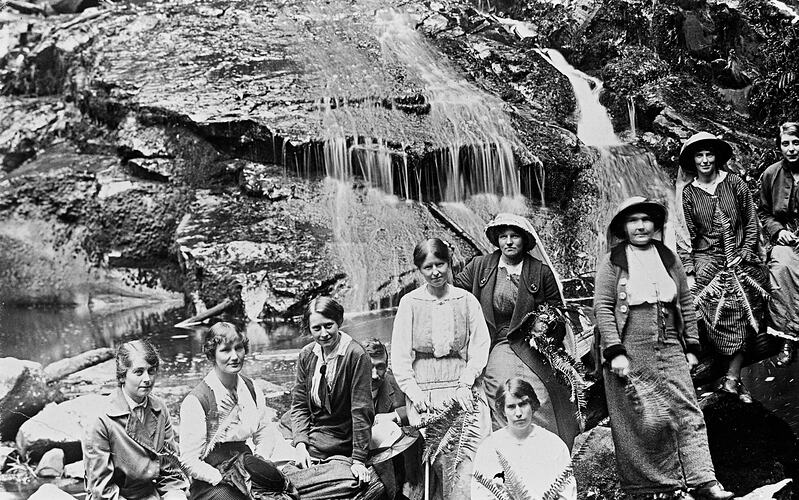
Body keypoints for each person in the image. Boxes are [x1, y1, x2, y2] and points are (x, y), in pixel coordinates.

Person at [594, 196, 733, 499]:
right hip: (631, 343)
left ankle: (704, 481)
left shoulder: (668, 257)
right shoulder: (613, 261)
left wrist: (692, 345)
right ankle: (661, 488)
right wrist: (615, 351)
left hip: (670, 341)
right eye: (633, 220)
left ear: (655, 225)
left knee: (687, 409)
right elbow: (604, 308)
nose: (641, 225)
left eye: (646, 220)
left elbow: (685, 300)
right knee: (646, 418)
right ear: (624, 226)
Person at [454, 213, 580, 448]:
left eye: (515, 236)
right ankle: (507, 454)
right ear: (497, 240)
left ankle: (547, 450)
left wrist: (545, 325)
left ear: (524, 241)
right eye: (503, 236)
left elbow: (558, 313)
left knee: (541, 392)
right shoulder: (480, 267)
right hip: (497, 342)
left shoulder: (540, 272)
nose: (509, 242)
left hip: (531, 344)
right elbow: (454, 296)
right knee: (499, 386)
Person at [391, 238, 491, 500]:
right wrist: (414, 393)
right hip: (425, 390)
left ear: (449, 264)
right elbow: (400, 355)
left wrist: (466, 382)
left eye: (440, 264)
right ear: (419, 270)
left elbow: (480, 345)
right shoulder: (410, 303)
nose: (435, 272)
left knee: (470, 450)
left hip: (462, 383)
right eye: (428, 267)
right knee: (440, 457)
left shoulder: (466, 300)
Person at [678, 132, 769, 402]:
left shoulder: (735, 184)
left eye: (709, 154)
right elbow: (687, 236)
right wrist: (691, 270)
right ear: (692, 161)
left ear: (716, 157)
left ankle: (732, 378)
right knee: (712, 297)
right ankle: (728, 376)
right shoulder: (689, 194)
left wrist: (743, 251)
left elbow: (751, 221)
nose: (705, 160)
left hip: (740, 253)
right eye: (699, 155)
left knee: (745, 292)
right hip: (708, 256)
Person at [179, 322, 293, 500]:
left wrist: (259, 463)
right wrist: (221, 478)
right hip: (211, 480)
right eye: (225, 350)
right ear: (212, 355)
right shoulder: (197, 401)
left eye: (238, 348)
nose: (234, 356)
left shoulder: (251, 388)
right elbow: (189, 461)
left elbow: (264, 432)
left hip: (246, 466)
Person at [287, 297, 382, 500]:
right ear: (309, 329)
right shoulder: (306, 355)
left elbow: (361, 410)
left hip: (344, 445)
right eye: (316, 328)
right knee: (280, 481)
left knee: (353, 485)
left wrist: (358, 460)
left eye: (328, 326)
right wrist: (301, 445)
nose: (323, 334)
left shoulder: (356, 355)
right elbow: (300, 405)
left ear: (339, 321)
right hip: (313, 442)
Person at [83, 339, 188, 500]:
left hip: (150, 494)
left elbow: (170, 471)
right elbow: (100, 490)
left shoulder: (159, 408)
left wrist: (175, 494)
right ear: (122, 376)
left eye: (151, 371)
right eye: (139, 372)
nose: (147, 379)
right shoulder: (101, 419)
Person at [471, 378, 576, 500]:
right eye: (511, 407)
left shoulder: (553, 444)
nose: (518, 413)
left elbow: (567, 491)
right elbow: (480, 492)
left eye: (523, 404)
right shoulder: (489, 447)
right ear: (503, 411)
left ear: (532, 405)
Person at [759, 121, 799, 365]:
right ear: (780, 147)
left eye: (796, 142)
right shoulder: (771, 175)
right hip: (787, 238)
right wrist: (778, 231)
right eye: (786, 144)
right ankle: (788, 338)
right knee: (781, 267)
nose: (792, 148)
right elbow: (764, 213)